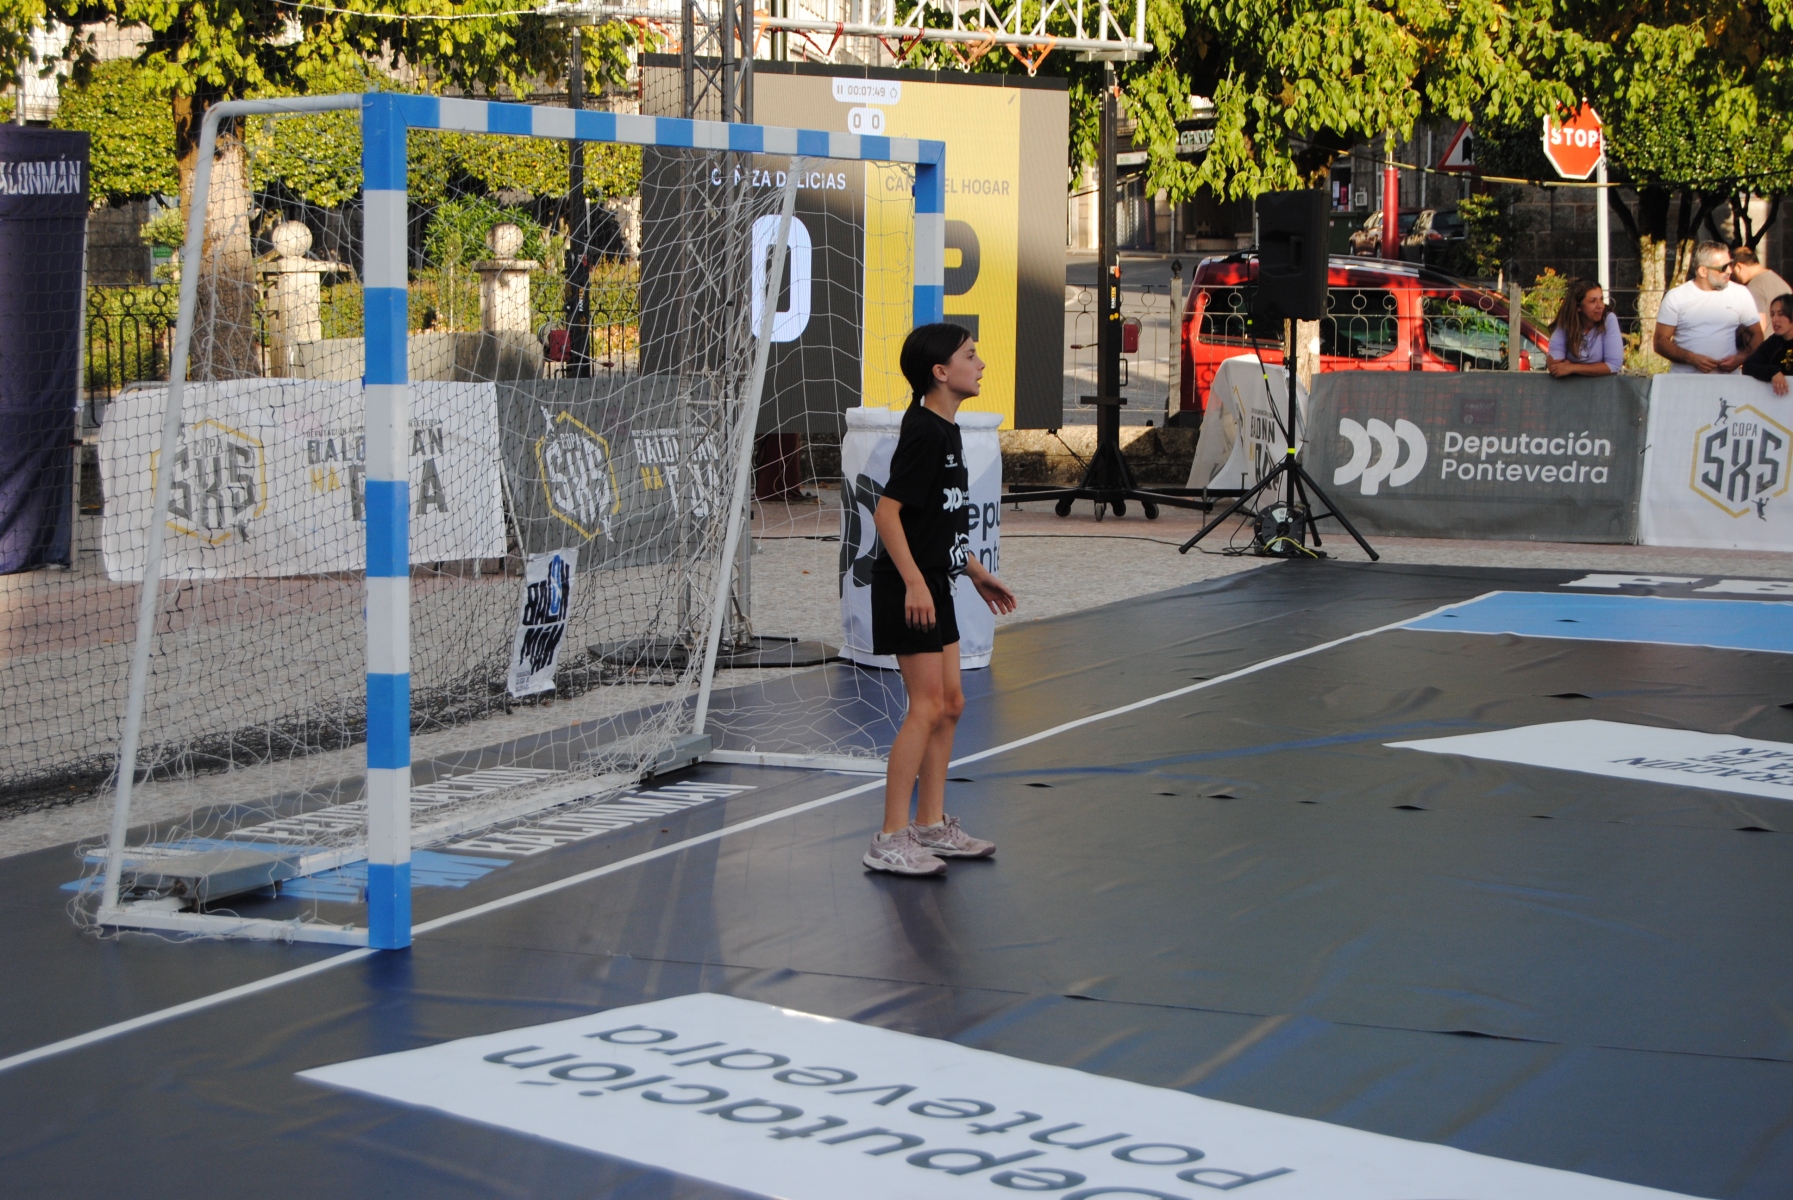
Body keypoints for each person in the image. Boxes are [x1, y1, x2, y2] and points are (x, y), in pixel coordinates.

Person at [863, 323, 1017, 878]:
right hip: (910, 590)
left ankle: (930, 824)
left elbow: (941, 524)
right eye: (970, 355)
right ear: (940, 371)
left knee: (951, 703)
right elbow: (887, 514)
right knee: (926, 706)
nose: (980, 364)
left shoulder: (947, 431)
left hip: (936, 583)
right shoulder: (925, 432)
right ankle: (889, 837)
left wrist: (975, 572)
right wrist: (914, 583)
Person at [1653, 241, 1762, 372]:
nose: (1729, 271)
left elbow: (1757, 334)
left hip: (1726, 380)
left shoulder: (1740, 293)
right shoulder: (1676, 297)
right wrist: (1691, 358)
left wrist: (1741, 358)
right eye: (1723, 267)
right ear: (1703, 271)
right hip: (1686, 379)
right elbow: (1660, 342)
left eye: (1731, 264)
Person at [1545, 278, 1623, 377]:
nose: (1600, 306)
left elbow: (1614, 366)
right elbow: (1555, 365)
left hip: (1602, 385)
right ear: (1578, 306)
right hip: (1571, 385)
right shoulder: (1567, 322)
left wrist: (1572, 368)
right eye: (1593, 301)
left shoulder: (1608, 319)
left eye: (1601, 299)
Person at [1741, 293, 1793, 395]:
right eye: (1772, 314)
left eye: (1781, 314)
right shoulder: (1773, 342)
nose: (1774, 319)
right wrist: (1773, 372)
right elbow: (1748, 366)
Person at [1729, 247, 1790, 334]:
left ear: (1738, 267)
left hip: (1769, 342)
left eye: (1731, 271)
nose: (1731, 276)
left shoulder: (1754, 287)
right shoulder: (1777, 279)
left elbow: (1758, 329)